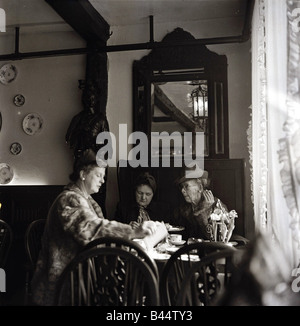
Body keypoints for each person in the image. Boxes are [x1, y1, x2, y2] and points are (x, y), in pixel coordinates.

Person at [31, 149, 159, 306]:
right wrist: (133, 232)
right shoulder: (69, 199)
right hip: (63, 283)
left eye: (103, 177)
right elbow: (92, 229)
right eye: (99, 175)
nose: (103, 181)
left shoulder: (88, 200)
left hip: (81, 277)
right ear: (83, 174)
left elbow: (101, 235)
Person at [173, 162, 236, 242]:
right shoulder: (182, 209)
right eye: (181, 187)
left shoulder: (217, 206)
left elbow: (217, 239)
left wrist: (202, 211)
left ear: (200, 186)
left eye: (186, 186)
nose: (182, 191)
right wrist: (202, 208)